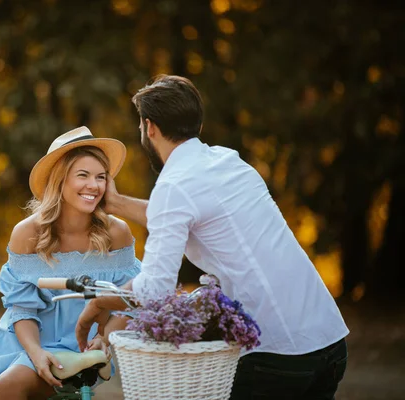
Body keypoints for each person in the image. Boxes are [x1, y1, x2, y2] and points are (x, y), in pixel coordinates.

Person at [75, 75, 349, 399]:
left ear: (149, 128)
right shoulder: (228, 161)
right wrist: (117, 203)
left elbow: (153, 290)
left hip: (278, 355)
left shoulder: (173, 186)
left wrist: (99, 302)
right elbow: (186, 217)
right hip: (329, 340)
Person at [0, 127, 141, 400]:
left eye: (101, 177)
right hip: (29, 343)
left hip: (87, 344)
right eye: (83, 175)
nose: (94, 186)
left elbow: (130, 298)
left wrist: (105, 337)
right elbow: (21, 307)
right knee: (9, 384)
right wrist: (36, 353)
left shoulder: (117, 232)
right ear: (60, 180)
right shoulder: (27, 233)